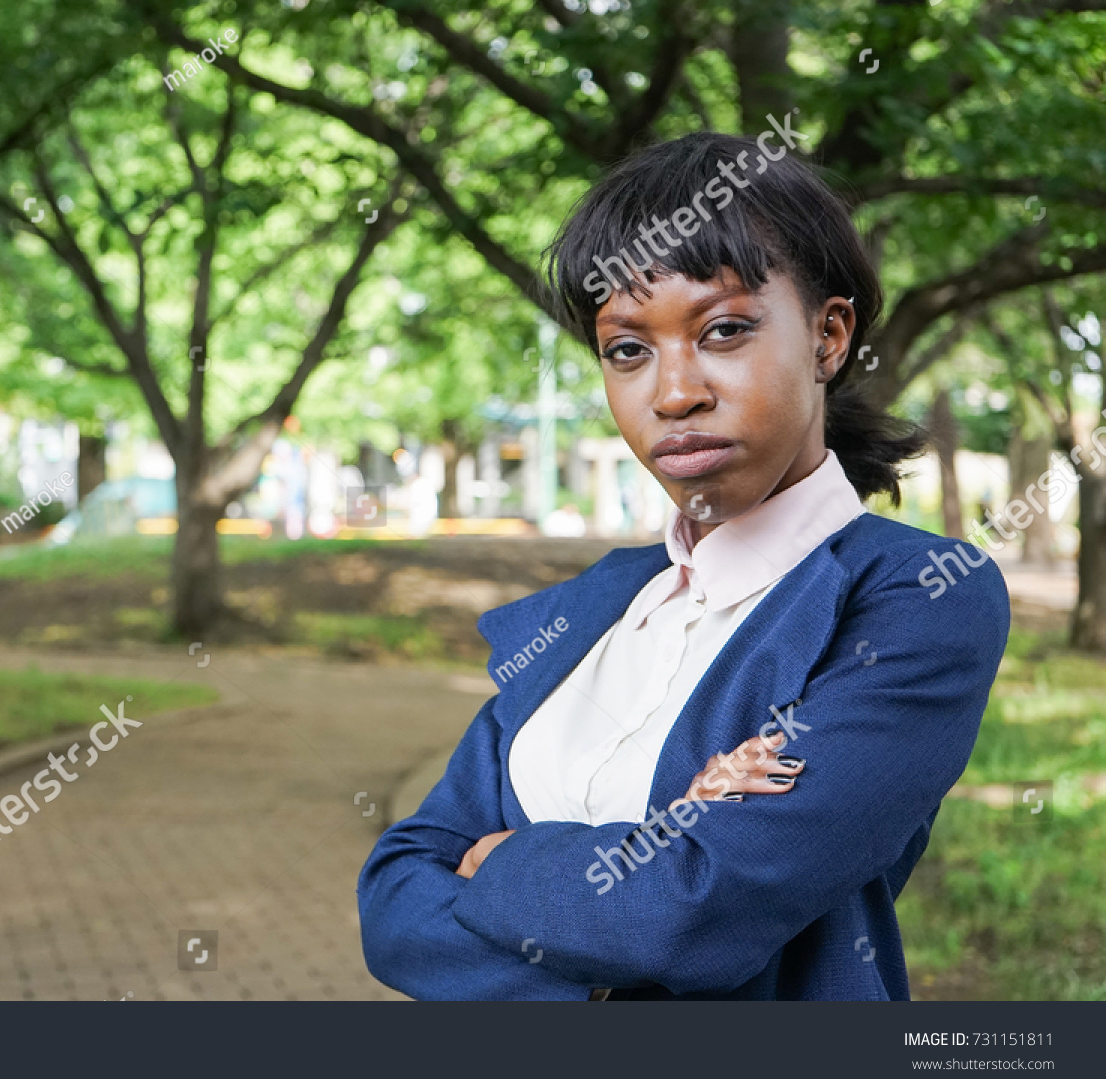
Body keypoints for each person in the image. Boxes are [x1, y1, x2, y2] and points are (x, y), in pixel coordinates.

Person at [356, 132, 1009, 1000]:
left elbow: (689, 912)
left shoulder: (912, 598)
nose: (673, 393)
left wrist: (498, 859)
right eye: (628, 349)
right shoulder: (596, 607)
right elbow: (397, 891)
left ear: (829, 336)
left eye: (725, 329)